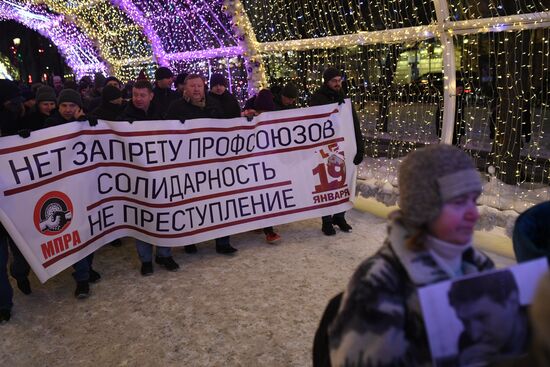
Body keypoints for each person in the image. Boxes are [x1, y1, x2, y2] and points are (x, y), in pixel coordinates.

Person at [325, 144, 494, 366]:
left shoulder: (480, 267)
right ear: (425, 208)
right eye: (459, 202)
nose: (473, 214)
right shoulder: (378, 285)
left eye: (474, 200)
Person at [166, 74, 237, 255]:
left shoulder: (214, 104)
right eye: (192, 86)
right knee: (192, 204)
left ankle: (222, 242)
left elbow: (227, 128)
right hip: (188, 166)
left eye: (199, 85)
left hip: (213, 164)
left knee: (219, 203)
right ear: (185, 88)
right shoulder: (176, 108)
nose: (196, 89)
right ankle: (191, 240)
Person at [117, 80, 180, 275]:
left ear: (151, 96)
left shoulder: (161, 114)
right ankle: (145, 259)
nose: (138, 99)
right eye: (135, 95)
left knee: (163, 213)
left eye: (142, 95)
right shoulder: (123, 118)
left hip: (160, 174)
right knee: (141, 217)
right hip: (137, 177)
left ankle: (164, 254)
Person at [309, 67, 365, 236]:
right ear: (326, 81)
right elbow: (314, 123)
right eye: (334, 81)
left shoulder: (344, 97)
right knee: (327, 184)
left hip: (345, 147)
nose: (337, 83)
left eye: (339, 80)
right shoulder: (317, 98)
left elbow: (354, 123)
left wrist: (360, 146)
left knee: (344, 182)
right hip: (326, 148)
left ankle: (340, 216)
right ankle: (326, 221)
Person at [448, 270, 529, 366]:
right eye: (465, 322)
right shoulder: (466, 341)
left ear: (512, 302)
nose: (475, 335)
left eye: (481, 318)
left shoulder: (544, 319)